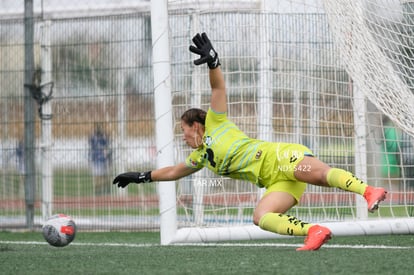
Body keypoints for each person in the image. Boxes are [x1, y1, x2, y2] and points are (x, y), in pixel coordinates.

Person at [113, 33, 387, 251]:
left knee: (322, 177)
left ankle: (368, 191)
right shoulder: (200, 158)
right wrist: (141, 176)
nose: (182, 137)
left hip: (280, 158)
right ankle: (314, 231)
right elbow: (173, 172)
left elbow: (218, 88)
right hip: (275, 181)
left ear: (196, 125)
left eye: (183, 131)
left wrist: (213, 62)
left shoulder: (215, 123)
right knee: (261, 217)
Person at [89, 123, 112, 195]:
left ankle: (100, 190)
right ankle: (104, 190)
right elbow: (107, 144)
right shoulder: (103, 137)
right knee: (102, 176)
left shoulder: (94, 138)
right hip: (101, 159)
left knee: (99, 176)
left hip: (98, 159)